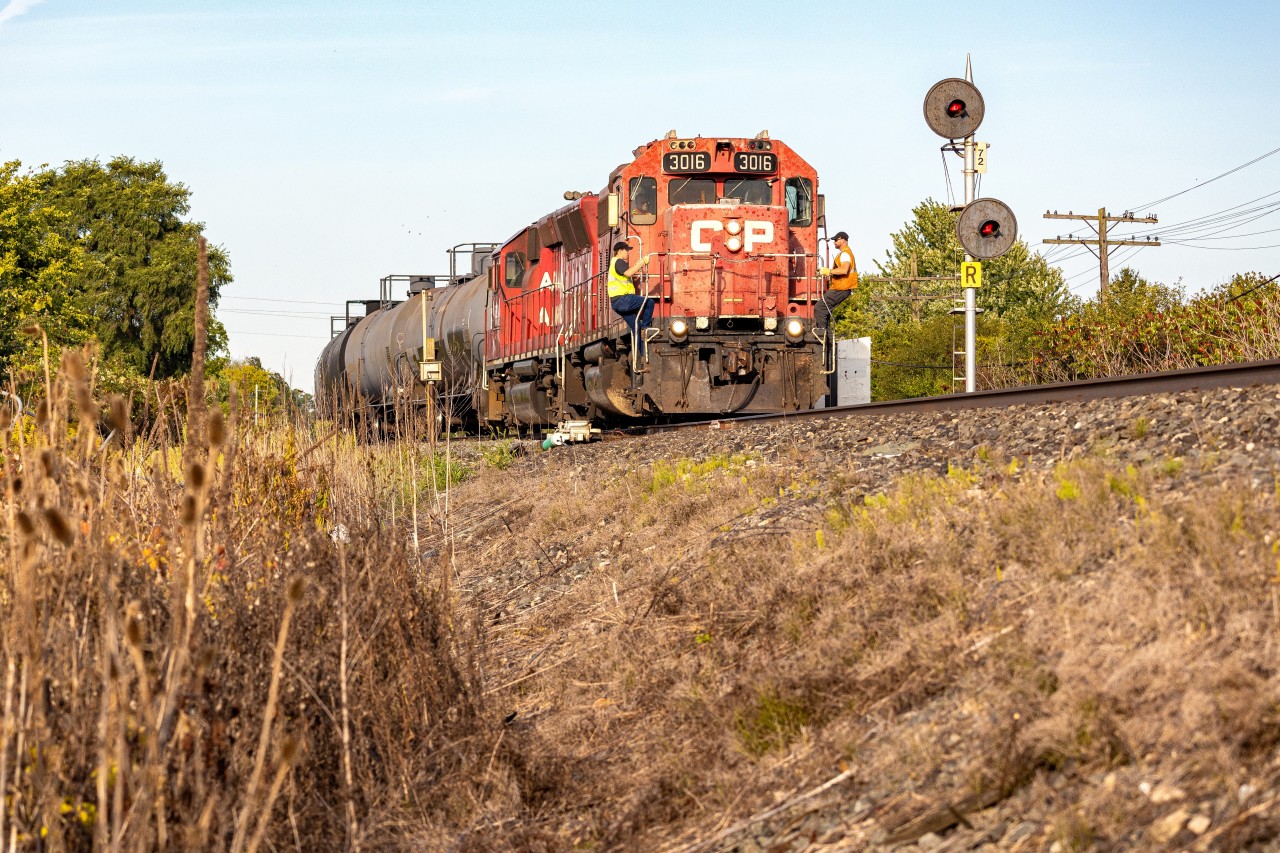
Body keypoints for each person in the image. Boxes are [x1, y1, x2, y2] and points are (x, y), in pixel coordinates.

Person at [607, 241, 655, 356]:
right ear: (620, 251)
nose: (628, 253)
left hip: (617, 303)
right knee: (649, 302)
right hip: (623, 299)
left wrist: (639, 264)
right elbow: (629, 273)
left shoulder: (614, 263)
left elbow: (629, 272)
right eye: (626, 250)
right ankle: (646, 328)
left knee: (636, 327)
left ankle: (640, 355)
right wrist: (642, 262)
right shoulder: (618, 261)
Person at [816, 231, 858, 335]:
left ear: (843, 240)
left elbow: (844, 270)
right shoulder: (844, 253)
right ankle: (828, 339)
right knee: (825, 311)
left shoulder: (845, 254)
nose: (834, 242)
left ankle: (822, 337)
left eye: (836, 240)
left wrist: (828, 271)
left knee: (819, 308)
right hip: (841, 288)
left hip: (841, 288)